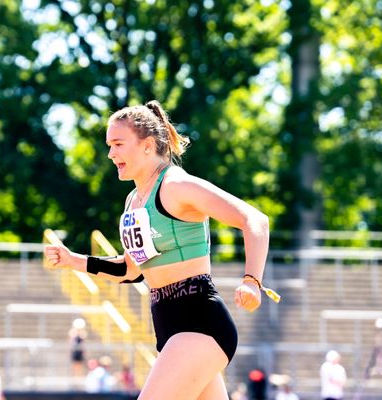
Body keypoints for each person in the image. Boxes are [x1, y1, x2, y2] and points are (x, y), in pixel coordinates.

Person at [45, 100, 277, 399]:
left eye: (118, 144)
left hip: (199, 324)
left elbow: (255, 220)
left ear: (147, 145)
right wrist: (72, 260)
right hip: (168, 328)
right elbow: (130, 271)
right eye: (109, 145)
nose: (111, 153)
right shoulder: (133, 201)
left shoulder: (176, 185)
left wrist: (252, 281)